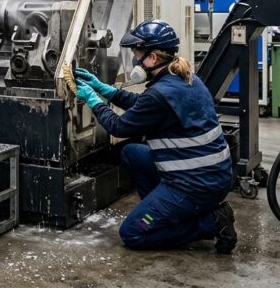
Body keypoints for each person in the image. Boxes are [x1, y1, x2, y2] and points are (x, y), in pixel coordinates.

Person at [70, 19, 238, 254]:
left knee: (133, 233)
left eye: (137, 53)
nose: (135, 59)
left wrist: (94, 100)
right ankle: (163, 213)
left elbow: (118, 127)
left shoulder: (160, 94)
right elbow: (142, 104)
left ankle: (211, 222)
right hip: (213, 177)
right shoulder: (185, 78)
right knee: (131, 153)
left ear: (153, 58)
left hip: (194, 185)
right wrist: (106, 90)